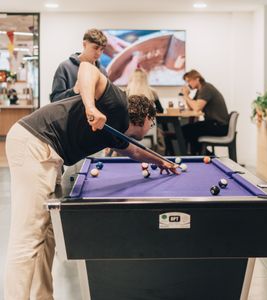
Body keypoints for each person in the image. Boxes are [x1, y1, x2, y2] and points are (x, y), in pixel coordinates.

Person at [4, 62, 178, 300]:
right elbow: (87, 68)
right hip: (34, 144)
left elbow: (135, 152)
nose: (150, 129)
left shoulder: (116, 132)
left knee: (47, 234)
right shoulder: (116, 105)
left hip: (46, 152)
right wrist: (90, 107)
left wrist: (160, 161)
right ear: (145, 115)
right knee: (29, 237)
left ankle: (42, 296)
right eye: (152, 123)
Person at [50, 28, 108, 102]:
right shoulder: (65, 67)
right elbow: (55, 100)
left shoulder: (102, 71)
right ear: (84, 44)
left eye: (102, 49)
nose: (99, 53)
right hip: (72, 113)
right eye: (95, 48)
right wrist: (74, 91)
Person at [180, 69, 229, 155]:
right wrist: (185, 96)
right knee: (189, 130)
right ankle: (202, 154)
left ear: (197, 79)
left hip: (219, 126)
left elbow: (197, 108)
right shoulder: (200, 90)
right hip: (214, 124)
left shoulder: (206, 88)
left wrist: (186, 95)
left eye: (189, 81)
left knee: (185, 130)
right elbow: (191, 108)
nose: (188, 84)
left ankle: (201, 155)